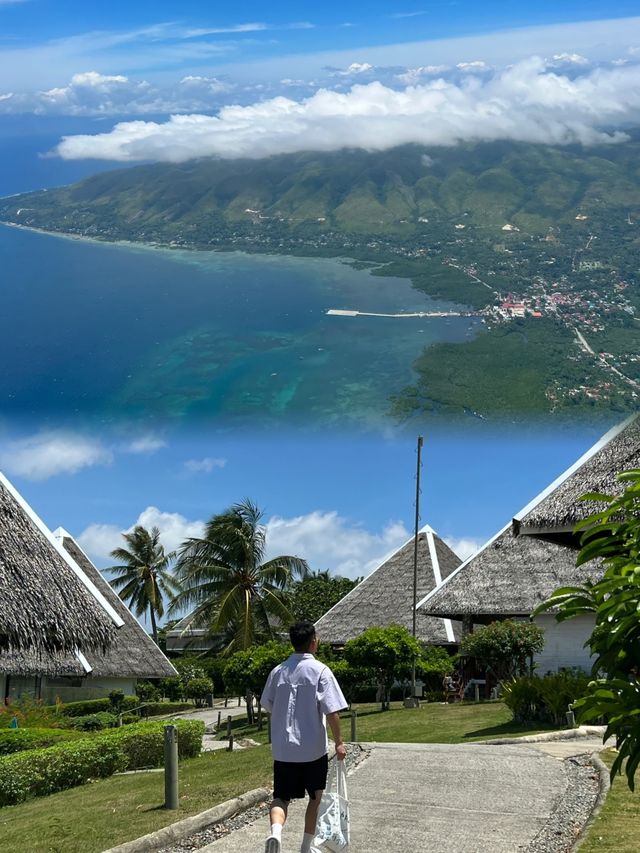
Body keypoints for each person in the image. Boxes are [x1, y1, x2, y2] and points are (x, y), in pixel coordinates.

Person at [260, 621, 348, 853]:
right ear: (313, 642)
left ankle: (276, 833)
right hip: (312, 749)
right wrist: (339, 742)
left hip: (284, 749)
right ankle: (305, 847)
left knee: (281, 797)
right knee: (316, 797)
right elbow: (332, 711)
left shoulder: (278, 671)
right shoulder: (320, 671)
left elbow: (268, 704)